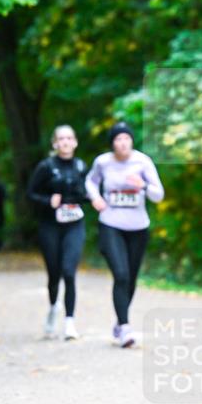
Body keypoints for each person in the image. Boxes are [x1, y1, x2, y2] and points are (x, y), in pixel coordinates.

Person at [86, 121, 165, 348]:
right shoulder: (103, 162)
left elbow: (158, 195)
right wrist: (95, 198)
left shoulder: (142, 161)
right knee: (120, 274)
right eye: (118, 139)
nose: (122, 143)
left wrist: (142, 185)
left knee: (130, 278)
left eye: (126, 138)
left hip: (138, 227)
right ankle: (125, 326)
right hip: (111, 224)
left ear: (131, 140)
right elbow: (90, 182)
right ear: (112, 143)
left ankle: (119, 324)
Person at [27, 125, 90, 340]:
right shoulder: (46, 167)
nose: (65, 142)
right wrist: (48, 201)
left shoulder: (82, 166)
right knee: (54, 274)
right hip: (50, 225)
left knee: (69, 272)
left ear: (75, 142)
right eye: (61, 139)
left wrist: (92, 198)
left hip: (74, 224)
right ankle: (53, 308)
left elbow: (89, 192)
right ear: (55, 143)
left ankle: (70, 322)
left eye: (69, 138)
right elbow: (30, 193)